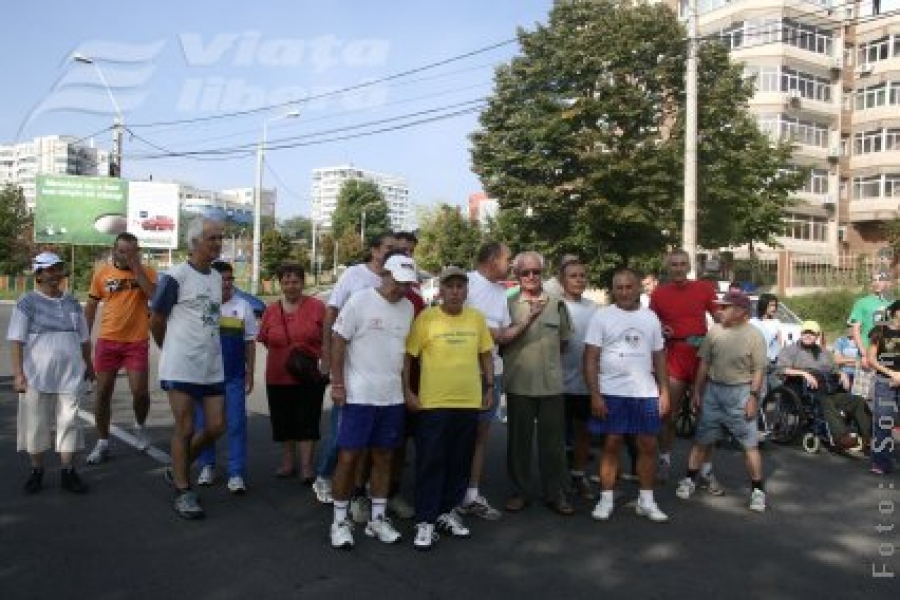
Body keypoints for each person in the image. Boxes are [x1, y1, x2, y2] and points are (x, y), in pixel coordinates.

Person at [328, 254, 416, 549]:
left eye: (408, 285)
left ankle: (377, 519)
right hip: (358, 395)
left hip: (391, 398)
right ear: (385, 276)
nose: (402, 289)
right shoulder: (360, 301)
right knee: (349, 457)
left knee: (385, 457)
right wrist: (337, 383)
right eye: (399, 283)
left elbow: (404, 355)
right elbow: (338, 339)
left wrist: (405, 391)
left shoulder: (407, 308)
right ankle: (339, 521)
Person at [404, 266, 494, 550]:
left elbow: (486, 355)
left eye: (460, 287)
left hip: (468, 402)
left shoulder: (476, 319)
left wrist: (489, 387)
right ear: (440, 290)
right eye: (450, 287)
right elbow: (409, 358)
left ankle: (446, 512)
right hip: (433, 404)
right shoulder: (426, 318)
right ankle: (425, 521)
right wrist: (408, 391)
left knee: (459, 461)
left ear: (466, 291)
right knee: (431, 461)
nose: (455, 292)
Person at [150, 217, 227, 520]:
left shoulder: (217, 277)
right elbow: (156, 318)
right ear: (195, 242)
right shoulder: (175, 276)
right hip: (181, 364)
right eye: (212, 238)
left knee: (216, 426)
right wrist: (167, 348)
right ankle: (184, 491)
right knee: (185, 427)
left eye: (220, 237)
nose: (218, 243)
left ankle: (176, 468)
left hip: (211, 365)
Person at [313, 233, 394, 510]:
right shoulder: (354, 275)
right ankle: (324, 475)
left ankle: (358, 489)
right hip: (347, 363)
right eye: (387, 248)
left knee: (369, 440)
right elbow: (331, 313)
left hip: (379, 372)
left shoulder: (399, 281)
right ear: (374, 250)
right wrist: (326, 353)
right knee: (342, 430)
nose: (392, 254)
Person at [583, 268, 670, 523]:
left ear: (638, 289)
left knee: (648, 445)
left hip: (644, 393)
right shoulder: (602, 317)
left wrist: (663, 391)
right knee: (611, 444)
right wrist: (595, 395)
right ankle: (606, 498)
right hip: (611, 392)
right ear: (613, 290)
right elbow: (590, 359)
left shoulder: (650, 318)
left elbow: (659, 357)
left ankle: (646, 500)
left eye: (628, 287)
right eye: (618, 288)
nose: (623, 292)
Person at [675, 291, 769, 513]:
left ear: (740, 312)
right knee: (702, 440)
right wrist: (697, 391)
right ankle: (690, 479)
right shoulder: (715, 332)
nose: (719, 311)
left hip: (741, 392)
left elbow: (759, 370)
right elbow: (704, 364)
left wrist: (753, 398)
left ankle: (757, 490)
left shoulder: (755, 335)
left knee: (749, 444)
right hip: (714, 391)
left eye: (725, 307)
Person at [9, 252, 94, 494]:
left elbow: (84, 339)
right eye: (50, 270)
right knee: (35, 425)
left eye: (58, 269)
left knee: (70, 423)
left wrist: (89, 364)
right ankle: (37, 470)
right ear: (38, 274)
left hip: (70, 374)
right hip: (36, 376)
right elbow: (16, 340)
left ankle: (68, 471)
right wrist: (18, 374)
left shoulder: (71, 302)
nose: (55, 274)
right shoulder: (27, 302)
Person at [503, 251, 574, 516]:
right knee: (519, 442)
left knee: (553, 444)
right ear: (517, 275)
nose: (531, 277)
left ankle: (555, 493)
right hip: (519, 382)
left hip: (552, 384)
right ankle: (519, 492)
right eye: (525, 272)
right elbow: (501, 339)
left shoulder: (556, 303)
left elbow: (564, 341)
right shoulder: (507, 303)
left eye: (536, 272)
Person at [84, 232, 158, 464]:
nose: (126, 255)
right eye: (123, 251)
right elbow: (91, 306)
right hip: (108, 340)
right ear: (114, 250)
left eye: (132, 251)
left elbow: (154, 295)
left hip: (136, 341)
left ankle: (140, 426)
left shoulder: (148, 271)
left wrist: (136, 267)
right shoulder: (102, 273)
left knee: (140, 393)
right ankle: (103, 442)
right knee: (103, 392)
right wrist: (83, 338)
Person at [455, 241, 515, 521]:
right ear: (492, 259)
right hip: (463, 371)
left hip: (493, 370)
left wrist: (492, 332)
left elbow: (502, 333)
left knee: (481, 436)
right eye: (507, 259)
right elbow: (453, 319)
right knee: (457, 434)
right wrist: (489, 331)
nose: (510, 264)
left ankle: (471, 494)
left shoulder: (501, 290)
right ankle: (450, 495)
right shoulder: (465, 283)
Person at [649, 249, 719, 484]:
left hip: (701, 355)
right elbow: (649, 324)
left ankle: (707, 468)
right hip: (675, 356)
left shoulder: (703, 288)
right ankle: (665, 459)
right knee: (668, 414)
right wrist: (659, 329)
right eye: (674, 264)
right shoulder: (659, 294)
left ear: (689, 266)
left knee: (705, 415)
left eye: (682, 264)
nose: (678, 268)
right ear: (668, 268)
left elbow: (720, 316)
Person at [257, 262, 327, 482]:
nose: (290, 286)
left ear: (302, 282)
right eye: (286, 281)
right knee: (283, 421)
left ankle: (306, 467)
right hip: (277, 375)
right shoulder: (270, 311)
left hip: (308, 375)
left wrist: (324, 367)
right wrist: (287, 357)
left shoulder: (317, 307)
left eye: (295, 281)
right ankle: (288, 463)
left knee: (308, 421)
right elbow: (266, 340)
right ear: (280, 284)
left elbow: (327, 340)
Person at [193, 261, 257, 493]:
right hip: (205, 378)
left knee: (237, 424)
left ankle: (236, 473)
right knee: (205, 424)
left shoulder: (243, 307)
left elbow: (250, 343)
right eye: (223, 279)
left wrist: (250, 372)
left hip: (233, 378)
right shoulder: (203, 306)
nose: (228, 284)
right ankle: (207, 466)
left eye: (230, 279)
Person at [774, 320, 871, 452]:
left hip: (827, 389)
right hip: (802, 392)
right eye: (805, 332)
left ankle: (868, 437)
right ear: (801, 333)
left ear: (817, 335)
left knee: (857, 401)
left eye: (812, 333)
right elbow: (780, 369)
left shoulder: (823, 352)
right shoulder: (790, 350)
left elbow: (834, 369)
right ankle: (841, 437)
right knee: (825, 401)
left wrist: (841, 373)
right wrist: (803, 373)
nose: (808, 335)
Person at [558, 258, 599, 499]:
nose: (578, 279)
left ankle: (578, 475)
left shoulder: (595, 309)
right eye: (573, 276)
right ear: (563, 281)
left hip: (585, 382)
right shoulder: (553, 305)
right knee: (556, 436)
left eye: (582, 275)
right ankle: (557, 480)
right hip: (557, 381)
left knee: (583, 432)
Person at [867, 300, 900, 475]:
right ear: (895, 312)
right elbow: (871, 359)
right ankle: (881, 462)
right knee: (883, 423)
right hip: (884, 381)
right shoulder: (880, 330)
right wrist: (891, 373)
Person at [850, 272, 892, 369]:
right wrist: (863, 353)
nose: (877, 283)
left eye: (880, 280)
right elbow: (855, 330)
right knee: (866, 383)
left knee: (886, 383)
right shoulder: (861, 303)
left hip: (888, 354)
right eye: (874, 280)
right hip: (867, 353)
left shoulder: (893, 303)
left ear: (887, 283)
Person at [833, 321, 863, 387]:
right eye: (848, 327)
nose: (849, 329)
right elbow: (837, 360)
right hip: (844, 372)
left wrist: (845, 360)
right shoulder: (840, 341)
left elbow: (866, 362)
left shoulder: (864, 341)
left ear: (859, 329)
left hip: (860, 374)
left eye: (852, 327)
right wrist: (856, 360)